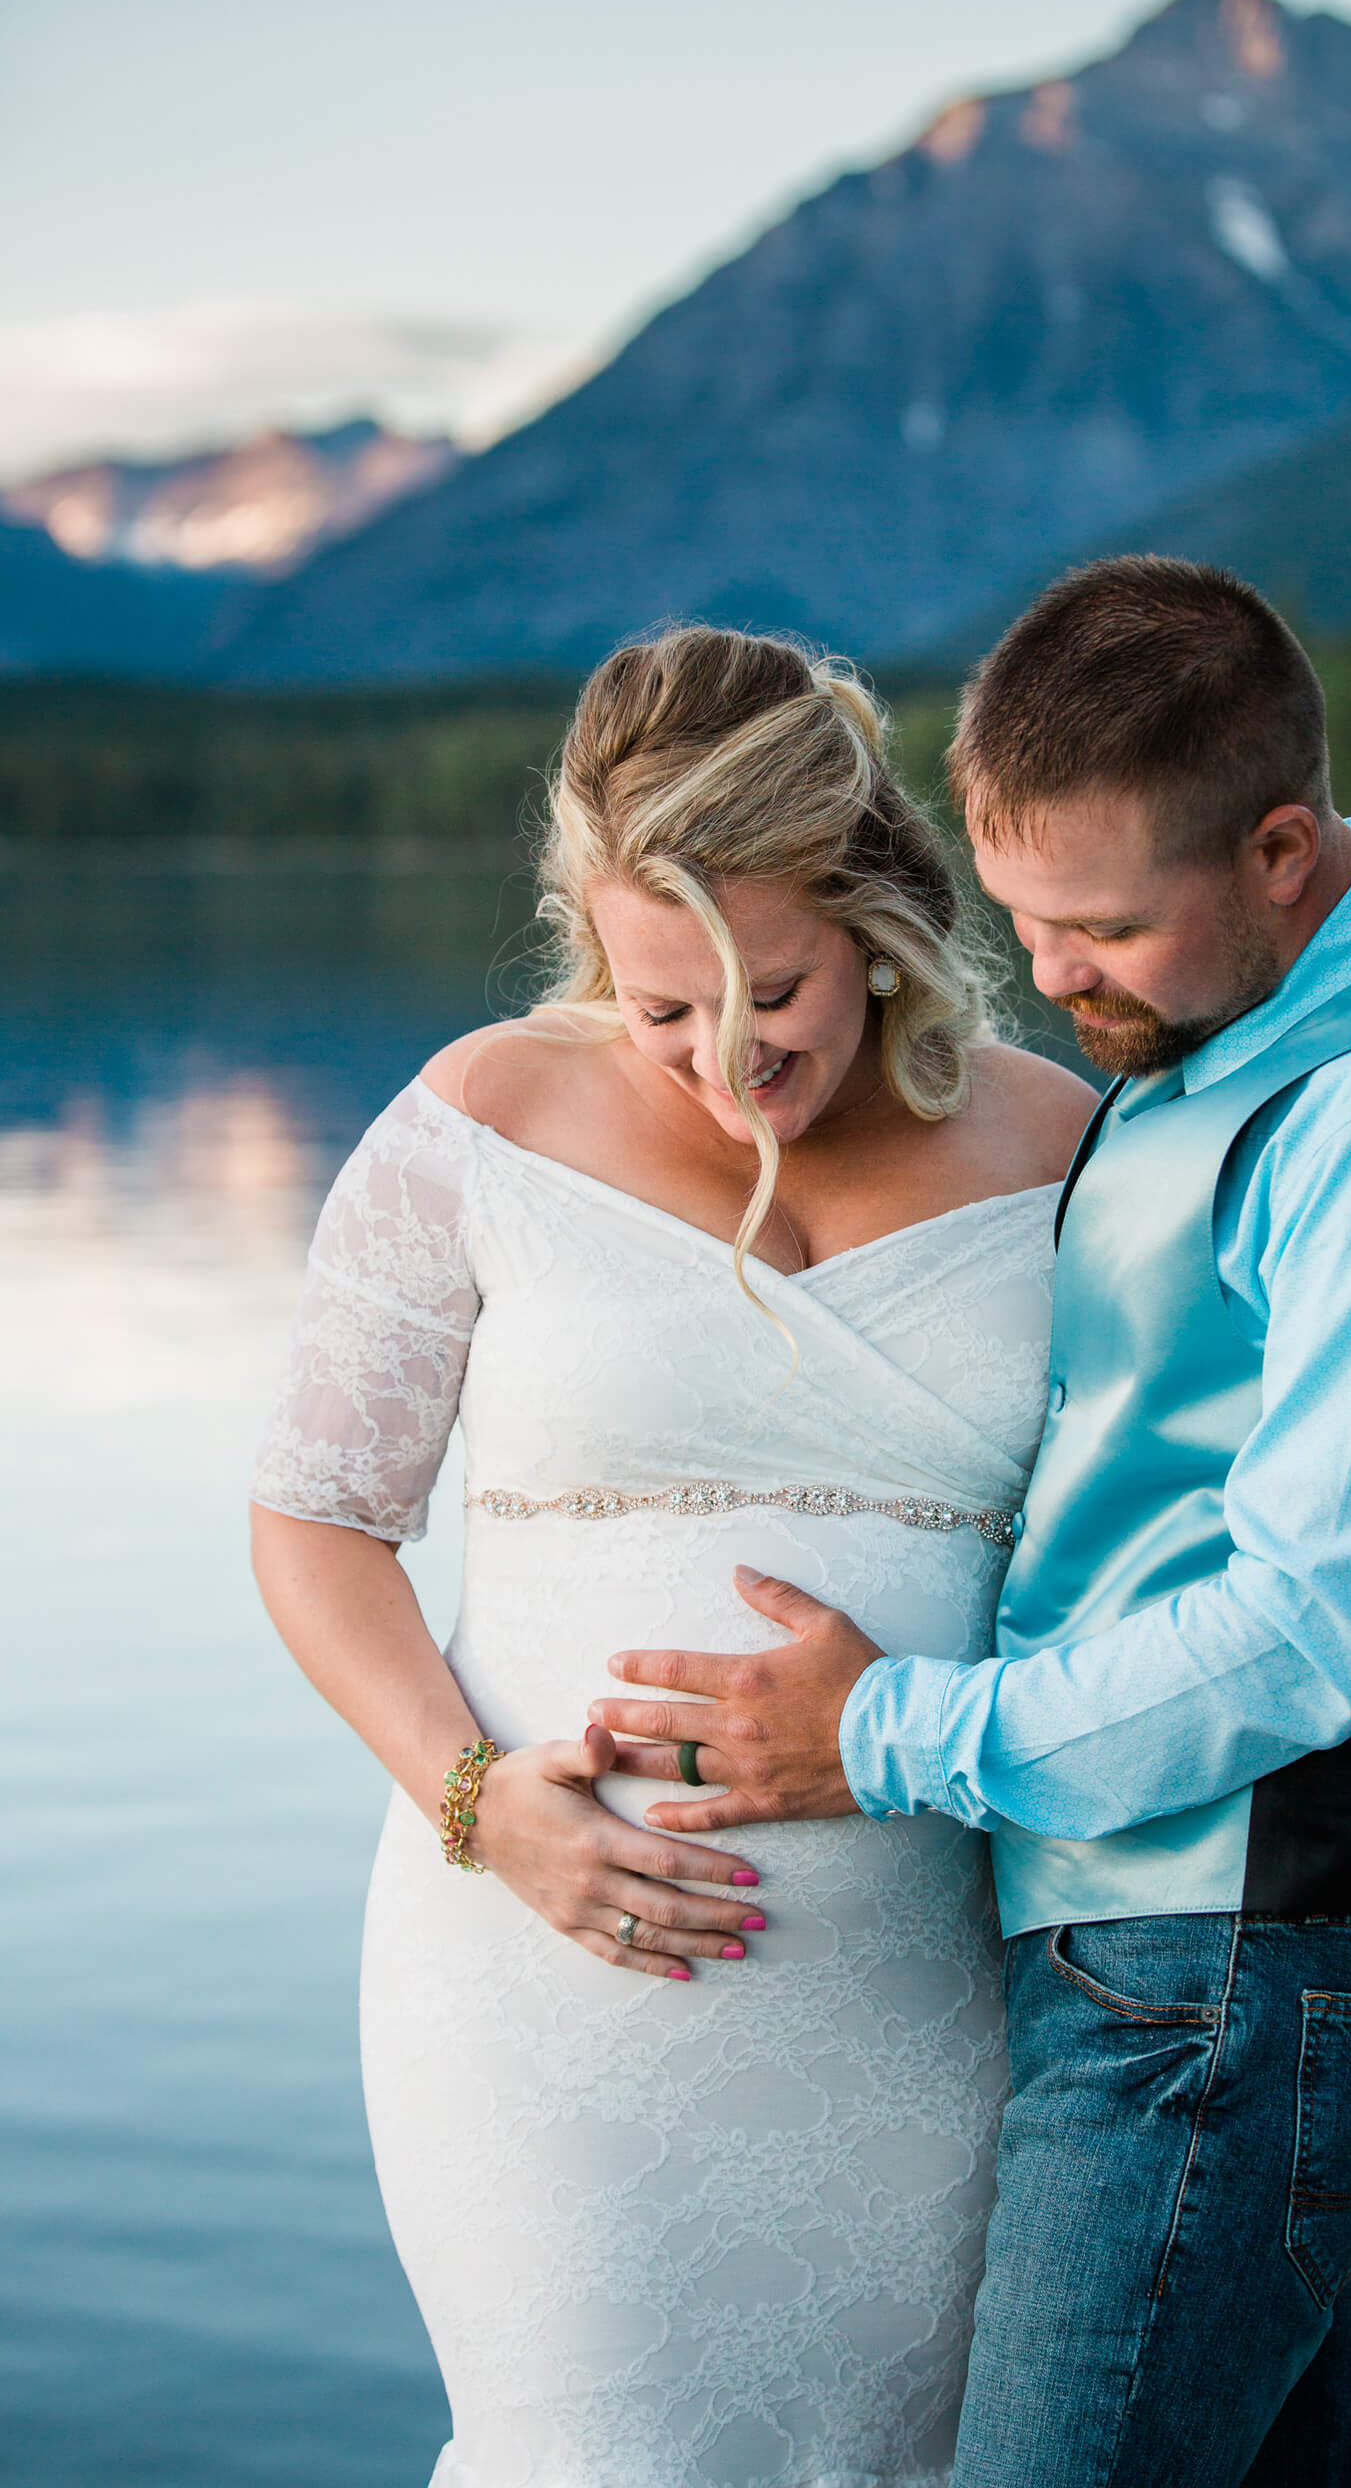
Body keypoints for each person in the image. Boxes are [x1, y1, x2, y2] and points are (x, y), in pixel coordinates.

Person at [591, 558, 1351, 2487]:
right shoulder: (1218, 1038)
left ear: (1285, 850)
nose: (1052, 979)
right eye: (1027, 920)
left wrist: (882, 1736)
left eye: (1108, 927)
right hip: (1159, 1952)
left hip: (1234, 1976)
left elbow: (1318, 1624)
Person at [249, 625, 1097, 2488]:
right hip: (552, 1989)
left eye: (773, 987)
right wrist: (479, 1800)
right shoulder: (482, 1121)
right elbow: (316, 1524)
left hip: (935, 2011)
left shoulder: (1067, 1150)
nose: (727, 1058)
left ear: (876, 916)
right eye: (660, 1009)